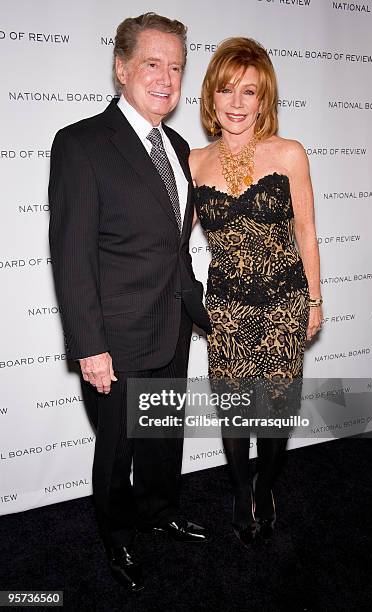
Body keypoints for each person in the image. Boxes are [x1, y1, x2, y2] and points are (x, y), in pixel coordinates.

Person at [49, 12, 211, 592]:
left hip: (171, 326)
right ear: (121, 68)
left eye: (175, 66)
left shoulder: (179, 144)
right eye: (152, 63)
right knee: (116, 451)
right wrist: (90, 346)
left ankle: (160, 510)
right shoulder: (80, 144)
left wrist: (199, 308)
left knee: (164, 435)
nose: (166, 78)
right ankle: (117, 537)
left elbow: (175, 245)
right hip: (115, 340)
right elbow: (71, 257)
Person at [190, 37, 322, 548]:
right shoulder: (195, 161)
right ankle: (242, 489)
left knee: (275, 413)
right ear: (212, 95)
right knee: (234, 412)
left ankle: (265, 487)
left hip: (284, 303)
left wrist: (315, 299)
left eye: (250, 92)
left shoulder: (289, 154)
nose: (238, 103)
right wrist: (189, 298)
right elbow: (174, 242)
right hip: (226, 308)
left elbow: (307, 231)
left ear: (264, 100)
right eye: (228, 90)